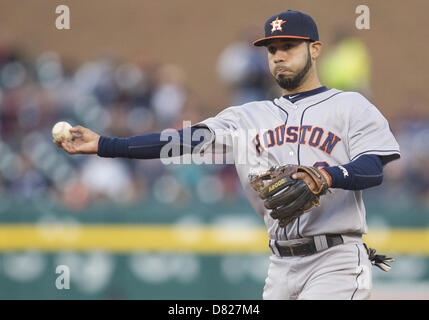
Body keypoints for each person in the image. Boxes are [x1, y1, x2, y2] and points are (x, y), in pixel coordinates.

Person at [54, 10, 400, 300]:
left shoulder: (350, 105)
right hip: (281, 266)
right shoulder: (245, 117)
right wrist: (105, 145)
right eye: (272, 49)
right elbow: (180, 141)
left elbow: (373, 167)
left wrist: (326, 176)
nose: (279, 55)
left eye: (289, 46)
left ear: (316, 49)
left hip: (336, 259)